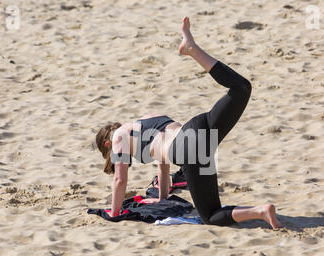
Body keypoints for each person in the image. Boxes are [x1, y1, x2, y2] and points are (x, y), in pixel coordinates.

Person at [95, 17, 283, 229]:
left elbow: (120, 181)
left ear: (108, 145)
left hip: (190, 150)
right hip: (198, 128)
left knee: (211, 216)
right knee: (241, 89)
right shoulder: (145, 120)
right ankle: (192, 49)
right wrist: (162, 198)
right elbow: (163, 166)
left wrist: (115, 212)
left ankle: (260, 211)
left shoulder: (119, 137)